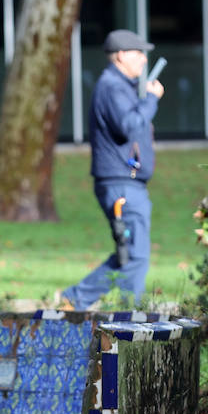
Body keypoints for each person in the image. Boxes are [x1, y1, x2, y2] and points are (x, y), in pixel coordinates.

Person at [59, 29, 164, 310]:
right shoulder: (113, 87)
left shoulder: (120, 87)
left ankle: (75, 299)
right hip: (122, 185)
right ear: (120, 55)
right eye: (138, 52)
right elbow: (128, 126)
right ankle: (132, 319)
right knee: (135, 256)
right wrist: (151, 100)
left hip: (126, 183)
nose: (144, 58)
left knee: (127, 256)